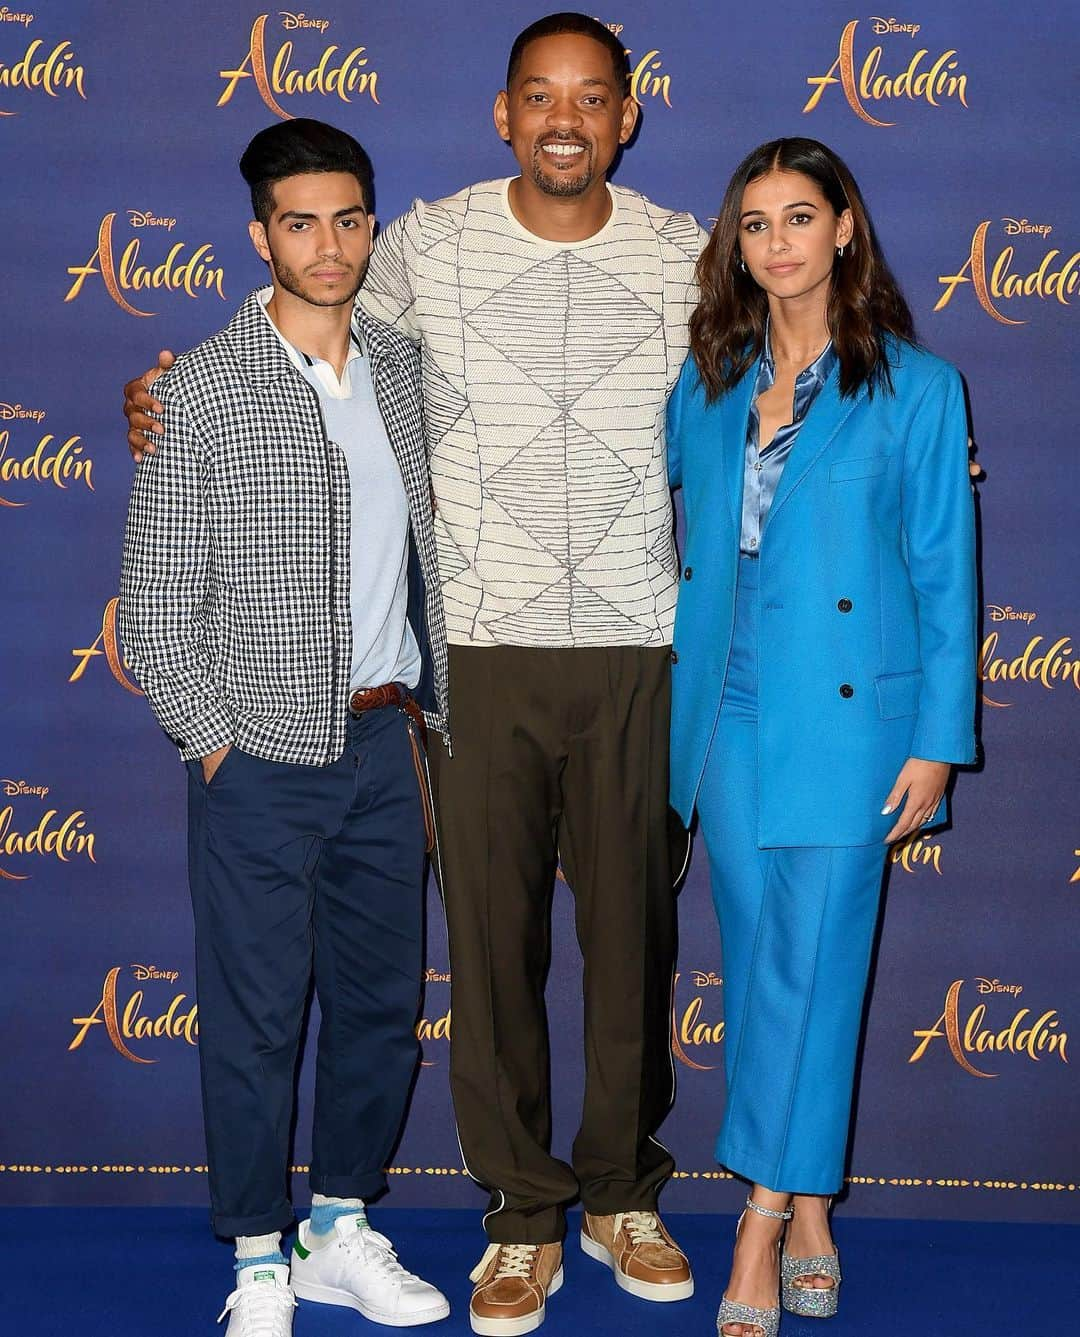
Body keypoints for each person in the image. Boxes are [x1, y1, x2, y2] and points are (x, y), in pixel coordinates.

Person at [123, 14, 704, 1333]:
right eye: (539, 96)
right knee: (488, 961)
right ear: (503, 114)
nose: (565, 117)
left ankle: (617, 1195)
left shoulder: (685, 252)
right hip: (472, 659)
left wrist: (885, 441)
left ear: (628, 114)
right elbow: (284, 329)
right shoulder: (424, 248)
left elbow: (782, 368)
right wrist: (165, 391)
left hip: (629, 640)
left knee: (626, 949)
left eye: (592, 96)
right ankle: (514, 1217)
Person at [119, 118, 451, 1337]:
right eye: (301, 222)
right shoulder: (196, 388)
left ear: (373, 224)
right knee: (257, 1014)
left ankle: (341, 1225)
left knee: (376, 1007)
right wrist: (215, 741)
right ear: (259, 234)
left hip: (384, 742)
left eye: (350, 219)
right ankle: (259, 1253)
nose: (330, 244)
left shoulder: (408, 370)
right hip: (253, 752)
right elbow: (154, 607)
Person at [665, 137, 977, 1337]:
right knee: (758, 965)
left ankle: (757, 1216)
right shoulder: (705, 382)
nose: (778, 242)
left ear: (845, 228)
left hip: (856, 719)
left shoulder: (919, 388)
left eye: (801, 216)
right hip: (729, 706)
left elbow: (946, 577)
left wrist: (939, 737)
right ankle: (809, 1209)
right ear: (734, 244)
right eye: (755, 223)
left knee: (818, 961)